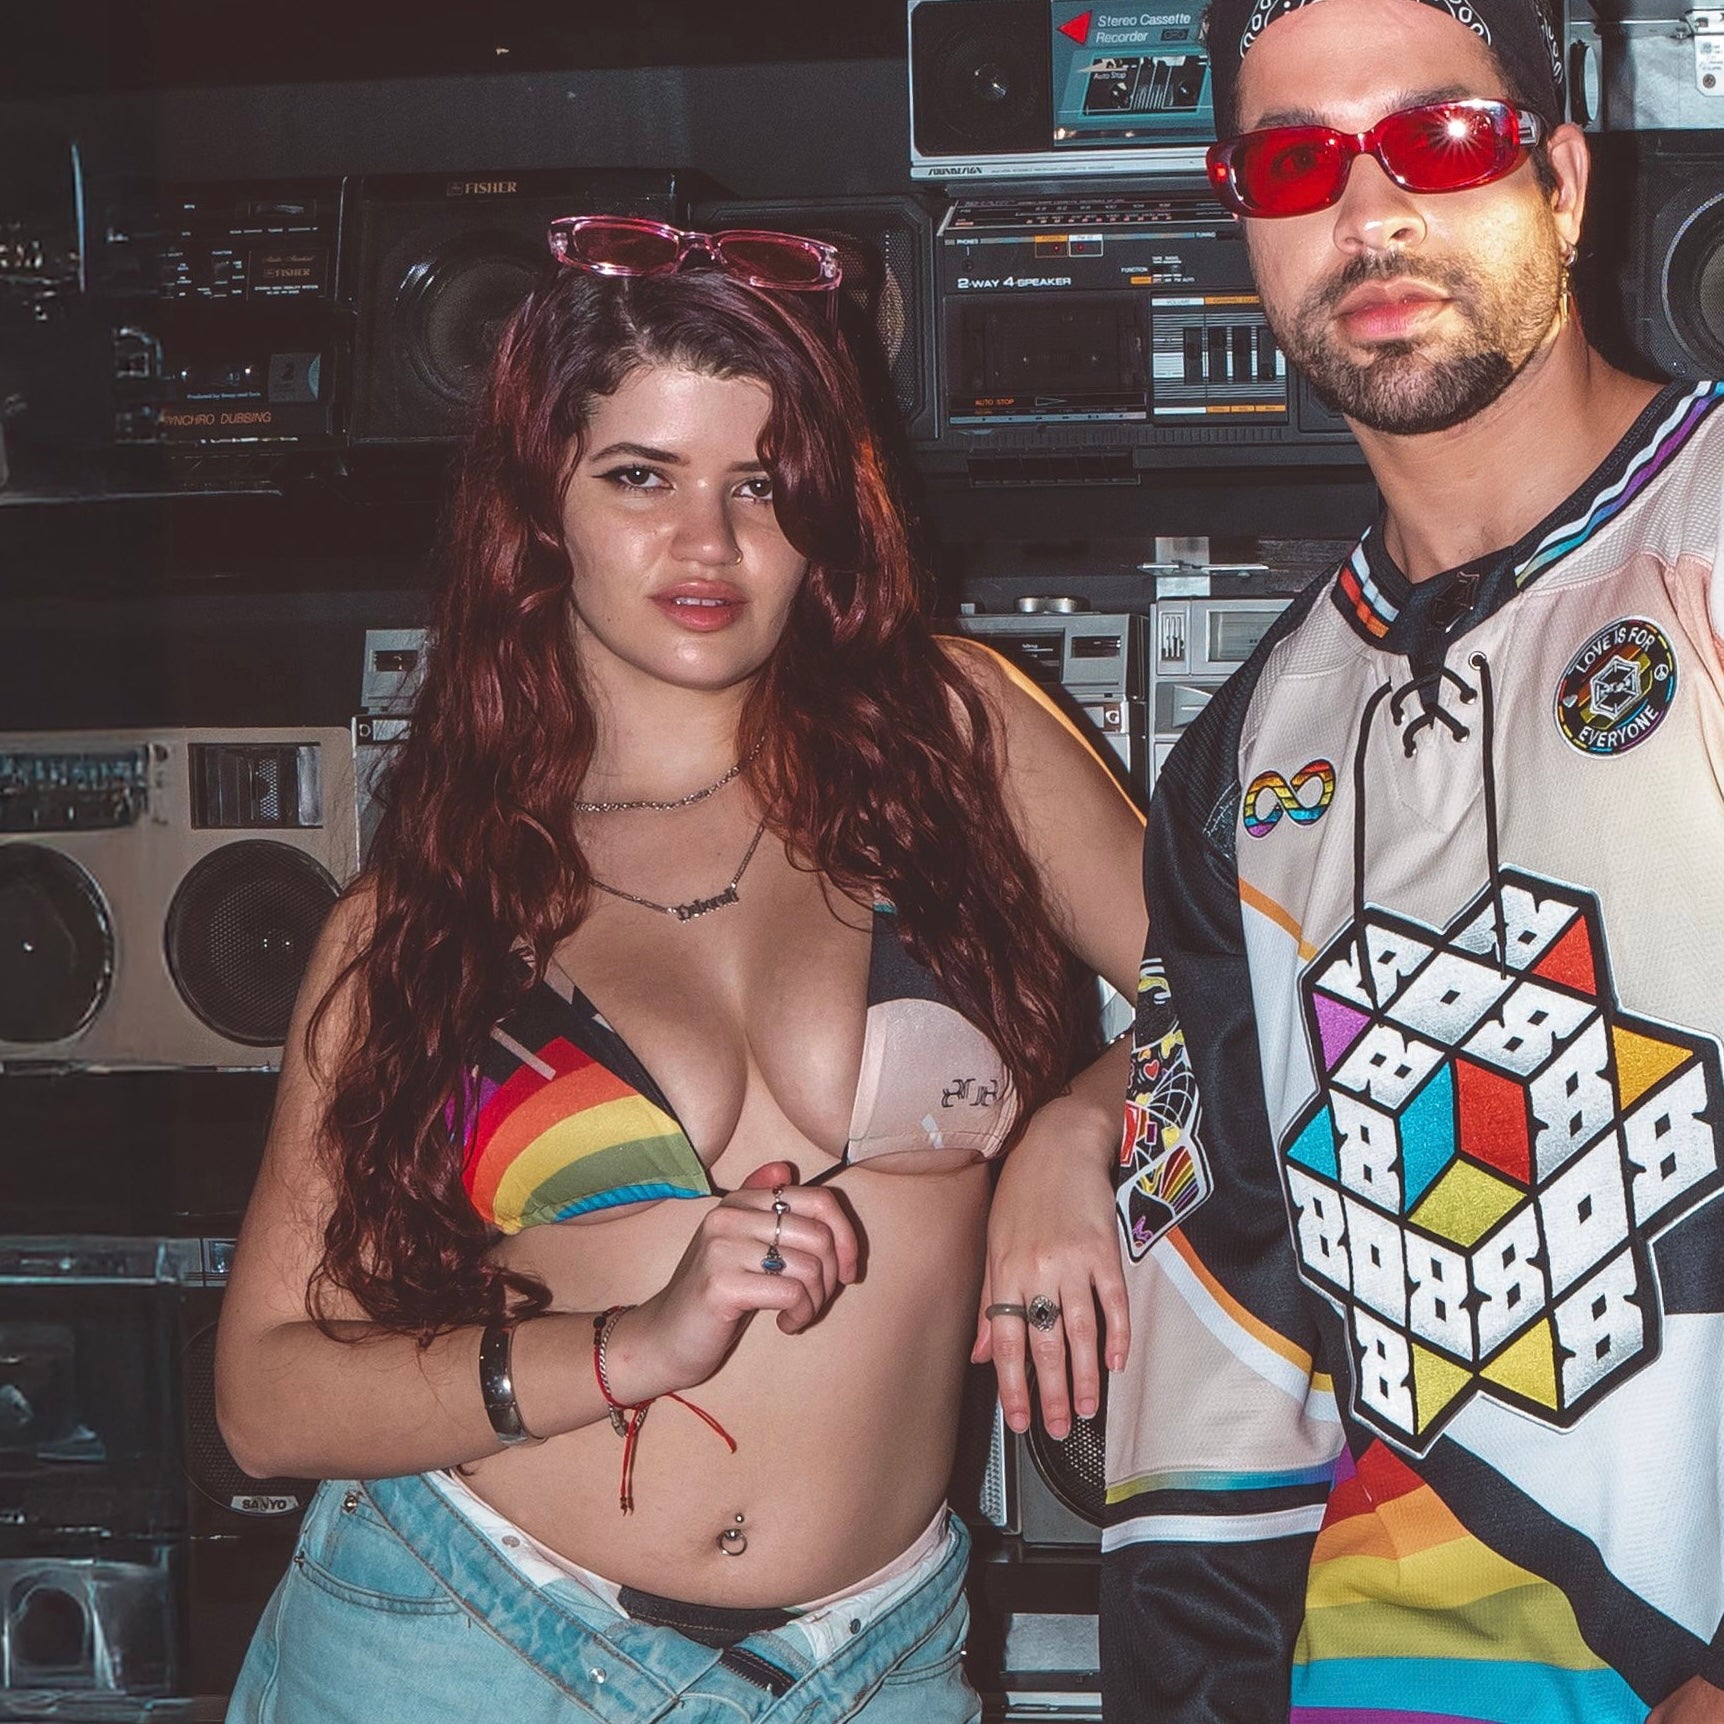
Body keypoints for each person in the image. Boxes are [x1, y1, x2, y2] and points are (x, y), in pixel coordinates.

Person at [214, 215, 1145, 1724]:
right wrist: (633, 1346)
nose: (708, 545)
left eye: (760, 485)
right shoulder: (425, 920)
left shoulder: (954, 736)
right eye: (641, 478)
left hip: (871, 1669)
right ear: (543, 509)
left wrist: (1073, 1133)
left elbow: (1257, 992)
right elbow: (267, 1396)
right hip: (463, 1640)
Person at [1099, 0, 1724, 1718]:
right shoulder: (1246, 751)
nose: (1369, 211)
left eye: (1440, 141)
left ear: (1563, 181)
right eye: (1297, 162)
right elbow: (1217, 1327)